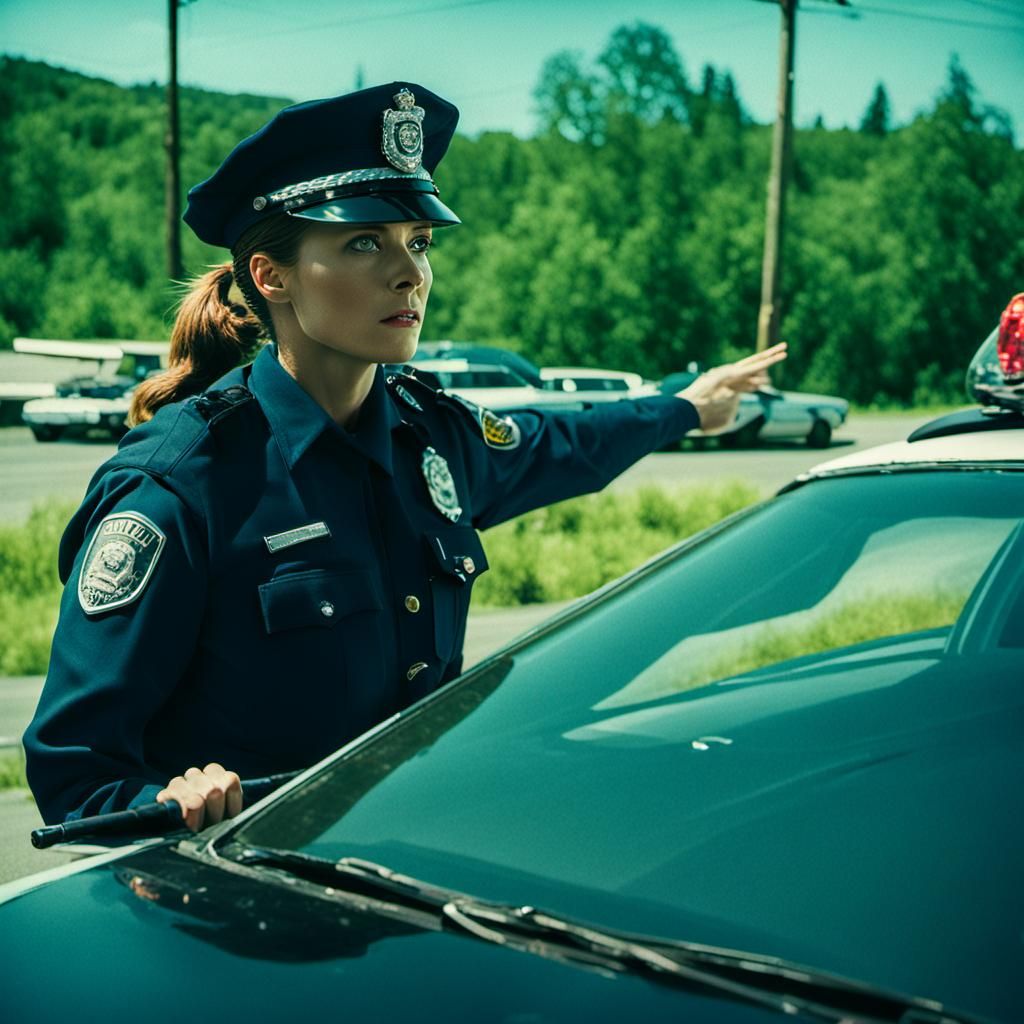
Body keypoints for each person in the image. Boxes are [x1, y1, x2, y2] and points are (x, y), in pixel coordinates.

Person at [24, 82, 786, 831]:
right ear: (271, 275)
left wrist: (687, 406)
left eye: (418, 243)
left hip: (415, 871)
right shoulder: (184, 483)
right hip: (254, 918)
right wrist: (169, 804)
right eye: (365, 241)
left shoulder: (434, 436)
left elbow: (570, 445)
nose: (409, 273)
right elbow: (75, 769)